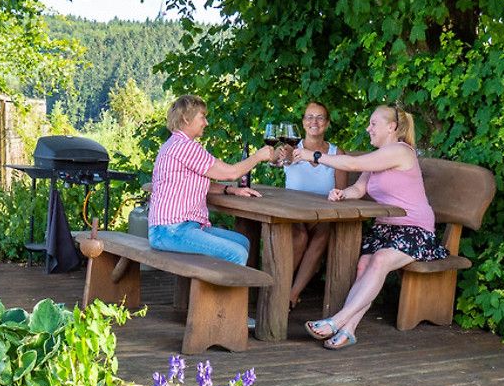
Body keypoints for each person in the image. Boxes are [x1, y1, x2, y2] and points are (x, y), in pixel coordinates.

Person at [301, 104, 448, 349]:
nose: (368, 128)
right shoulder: (379, 156)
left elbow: (353, 165)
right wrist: (342, 193)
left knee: (379, 261)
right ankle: (349, 330)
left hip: (415, 230)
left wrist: (313, 155)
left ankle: (336, 321)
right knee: (363, 265)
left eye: (373, 124)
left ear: (392, 127)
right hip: (386, 230)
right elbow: (358, 189)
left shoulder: (401, 151)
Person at [148, 94, 275, 265]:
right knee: (236, 253)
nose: (206, 123)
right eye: (202, 117)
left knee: (242, 242)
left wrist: (230, 190)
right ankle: (224, 292)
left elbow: (192, 181)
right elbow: (231, 173)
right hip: (171, 230)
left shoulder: (174, 143)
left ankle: (239, 290)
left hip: (178, 227)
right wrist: (258, 156)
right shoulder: (186, 147)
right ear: (186, 118)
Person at [281, 101, 348, 308]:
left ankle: (292, 294)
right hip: (293, 213)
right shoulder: (290, 149)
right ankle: (278, 287)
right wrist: (278, 158)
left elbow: (342, 193)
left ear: (326, 124)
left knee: (324, 232)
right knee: (299, 237)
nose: (314, 122)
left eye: (319, 117)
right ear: (303, 123)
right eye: (309, 117)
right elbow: (275, 158)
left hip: (322, 215)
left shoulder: (337, 154)